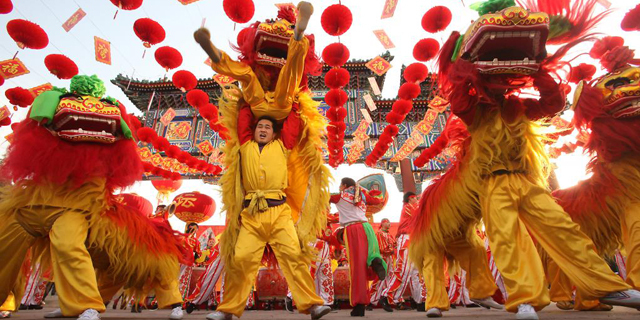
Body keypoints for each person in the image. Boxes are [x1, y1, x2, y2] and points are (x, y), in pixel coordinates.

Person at [205, 115, 330, 320]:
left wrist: (295, 100)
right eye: (259, 127)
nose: (263, 130)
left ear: (274, 133)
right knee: (241, 260)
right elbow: (242, 121)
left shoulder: (282, 146)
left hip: (279, 212)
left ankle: (312, 305)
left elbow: (292, 125)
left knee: (294, 257)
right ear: (253, 131)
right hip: (252, 214)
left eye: (267, 127)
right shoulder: (246, 146)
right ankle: (227, 310)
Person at [330, 177, 387, 317]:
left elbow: (321, 196)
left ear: (344, 185)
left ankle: (359, 305)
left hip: (353, 230)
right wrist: (371, 192)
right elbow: (379, 199)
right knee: (371, 257)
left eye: (340, 185)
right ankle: (375, 262)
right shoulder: (362, 194)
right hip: (367, 228)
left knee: (357, 269)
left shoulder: (340, 195)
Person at [380, 192, 426, 312]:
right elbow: (419, 211)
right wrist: (425, 198)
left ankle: (420, 301)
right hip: (406, 239)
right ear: (410, 199)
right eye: (415, 198)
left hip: (414, 240)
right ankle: (386, 296)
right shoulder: (408, 207)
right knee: (404, 270)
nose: (417, 199)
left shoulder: (413, 207)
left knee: (416, 272)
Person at [368, 218, 396, 310]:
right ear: (383, 223)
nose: (389, 223)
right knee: (380, 279)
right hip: (383, 258)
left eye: (389, 222)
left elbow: (394, 245)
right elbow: (382, 248)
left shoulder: (389, 235)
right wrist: (391, 250)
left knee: (390, 278)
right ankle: (371, 300)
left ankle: (386, 299)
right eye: (387, 222)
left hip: (390, 259)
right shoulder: (379, 234)